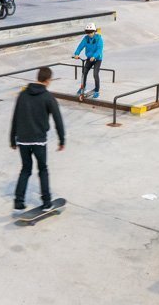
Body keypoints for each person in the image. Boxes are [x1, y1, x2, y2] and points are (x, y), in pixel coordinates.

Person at [9, 66, 65, 211]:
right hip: (39, 141)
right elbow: (58, 119)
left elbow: (15, 117)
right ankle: (46, 202)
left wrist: (12, 139)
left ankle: (18, 202)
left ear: (37, 77)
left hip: (22, 140)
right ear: (48, 80)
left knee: (25, 169)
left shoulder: (22, 95)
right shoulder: (48, 97)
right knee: (43, 170)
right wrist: (62, 140)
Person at [73, 23, 104, 99]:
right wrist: (76, 53)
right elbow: (80, 46)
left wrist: (94, 56)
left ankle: (97, 91)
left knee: (95, 74)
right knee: (84, 72)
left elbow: (99, 49)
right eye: (87, 32)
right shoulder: (86, 38)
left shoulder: (99, 39)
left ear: (94, 31)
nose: (89, 34)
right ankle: (83, 87)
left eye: (90, 32)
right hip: (89, 58)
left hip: (97, 59)